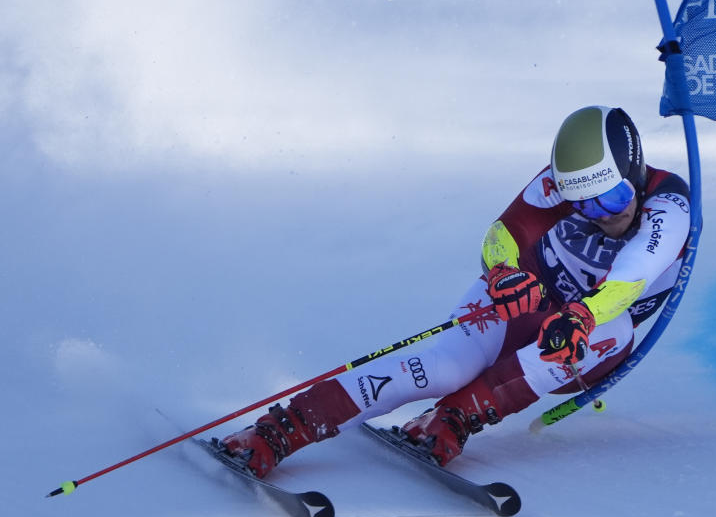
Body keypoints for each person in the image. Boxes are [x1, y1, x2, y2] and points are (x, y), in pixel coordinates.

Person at [220, 105, 691, 477]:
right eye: (582, 203)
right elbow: (501, 235)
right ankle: (282, 428)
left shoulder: (670, 205)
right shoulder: (559, 185)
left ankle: (455, 418)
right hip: (524, 303)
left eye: (614, 198)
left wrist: (582, 316)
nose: (601, 213)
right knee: (443, 368)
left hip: (581, 334)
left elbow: (632, 276)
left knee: (614, 329)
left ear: (636, 173)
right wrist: (502, 273)